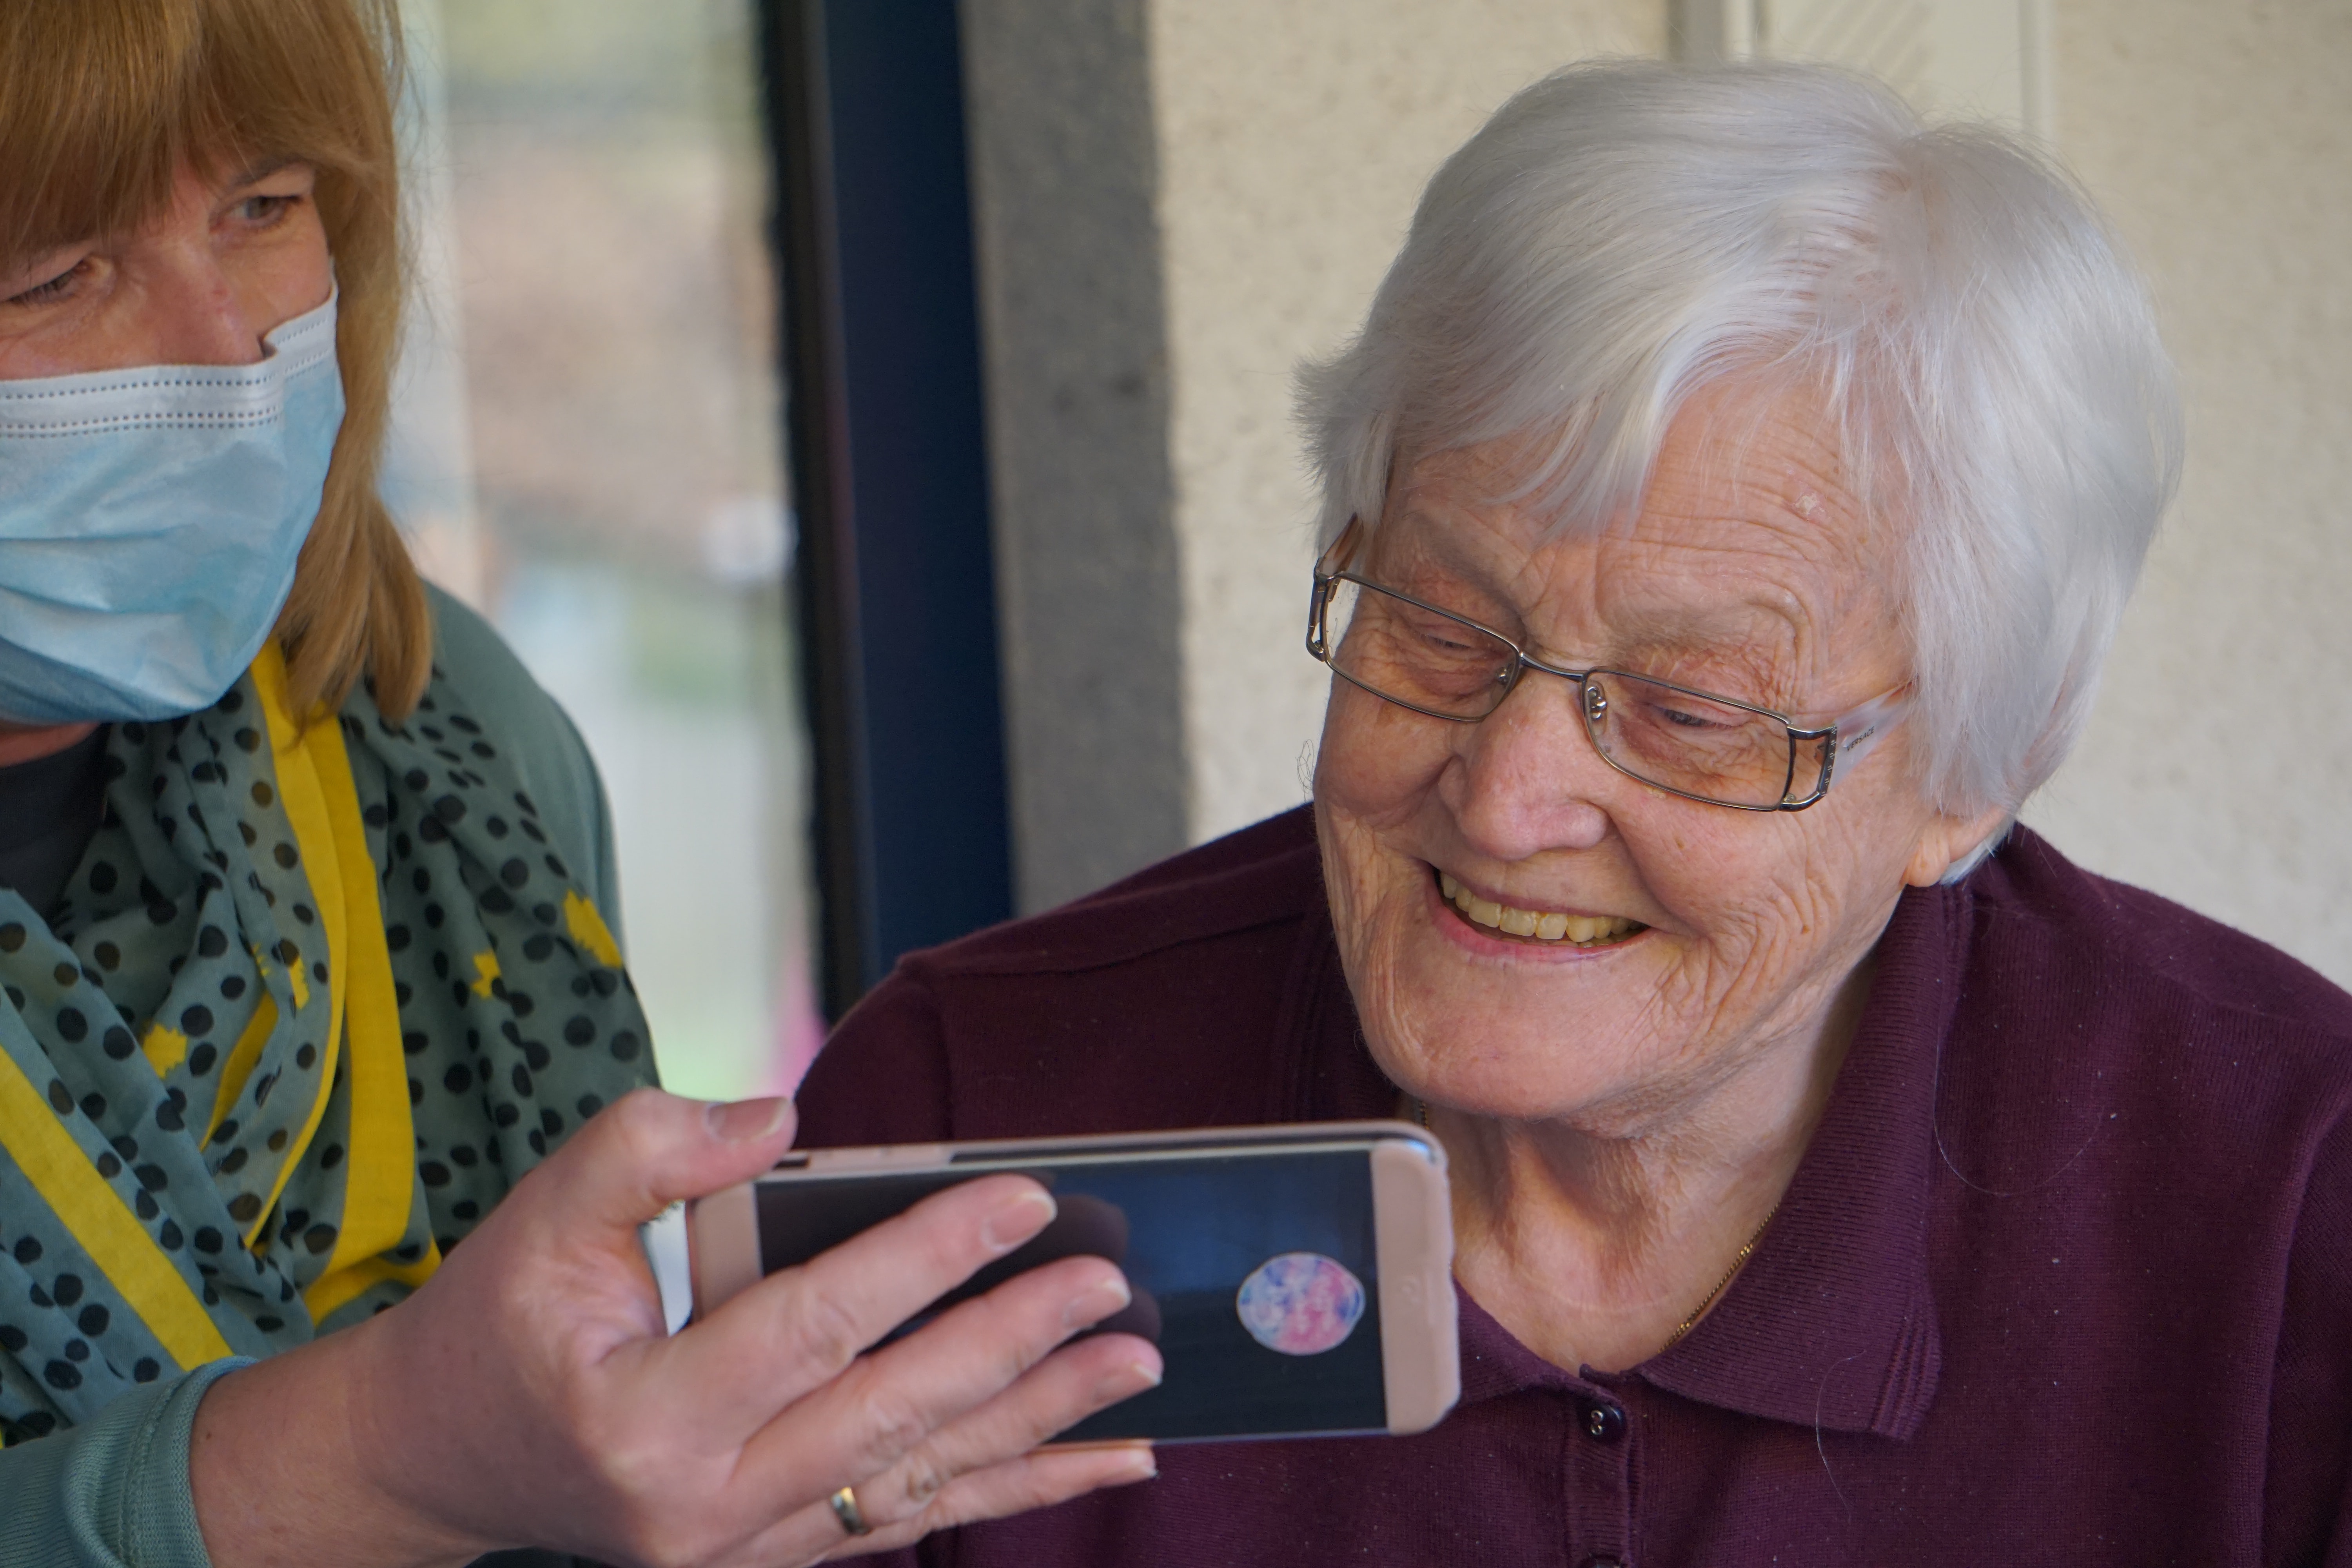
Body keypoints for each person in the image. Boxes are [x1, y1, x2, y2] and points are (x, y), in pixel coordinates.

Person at [794, 60, 2352, 1566]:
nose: (1507, 792)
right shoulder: (974, 1115)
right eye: (1443, 628)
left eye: (1693, 710)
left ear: (1966, 782)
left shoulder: (2288, 1206)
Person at [0, 2, 1159, 1564]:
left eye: (264, 208)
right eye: (56, 272)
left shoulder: (434, 728)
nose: (230, 349)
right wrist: (382, 1455)